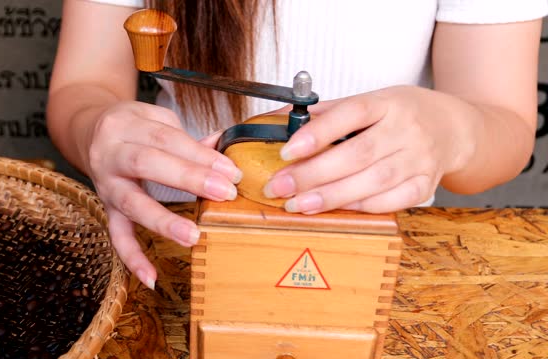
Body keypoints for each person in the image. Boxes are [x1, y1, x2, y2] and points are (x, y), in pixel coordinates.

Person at [47, 0, 547, 289]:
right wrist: (99, 130)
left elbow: (504, 126)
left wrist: (450, 130)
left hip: (374, 256)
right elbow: (83, 86)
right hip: (179, 241)